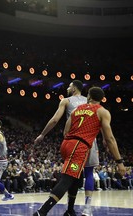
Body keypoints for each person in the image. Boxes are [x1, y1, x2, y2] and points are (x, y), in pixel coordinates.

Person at [33, 87, 126, 216]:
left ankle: (70, 211)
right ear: (101, 99)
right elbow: (110, 138)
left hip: (66, 144)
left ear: (89, 97)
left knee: (77, 177)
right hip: (79, 146)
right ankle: (41, 212)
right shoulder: (102, 112)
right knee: (67, 179)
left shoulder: (77, 109)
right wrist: (119, 162)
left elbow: (66, 130)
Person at [34, 80, 100, 216]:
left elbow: (54, 120)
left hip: (73, 141)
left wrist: (42, 134)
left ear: (74, 88)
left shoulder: (66, 101)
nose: (67, 88)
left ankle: (49, 211)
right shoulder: (90, 102)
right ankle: (84, 208)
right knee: (85, 174)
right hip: (89, 141)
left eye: (69, 86)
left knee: (72, 176)